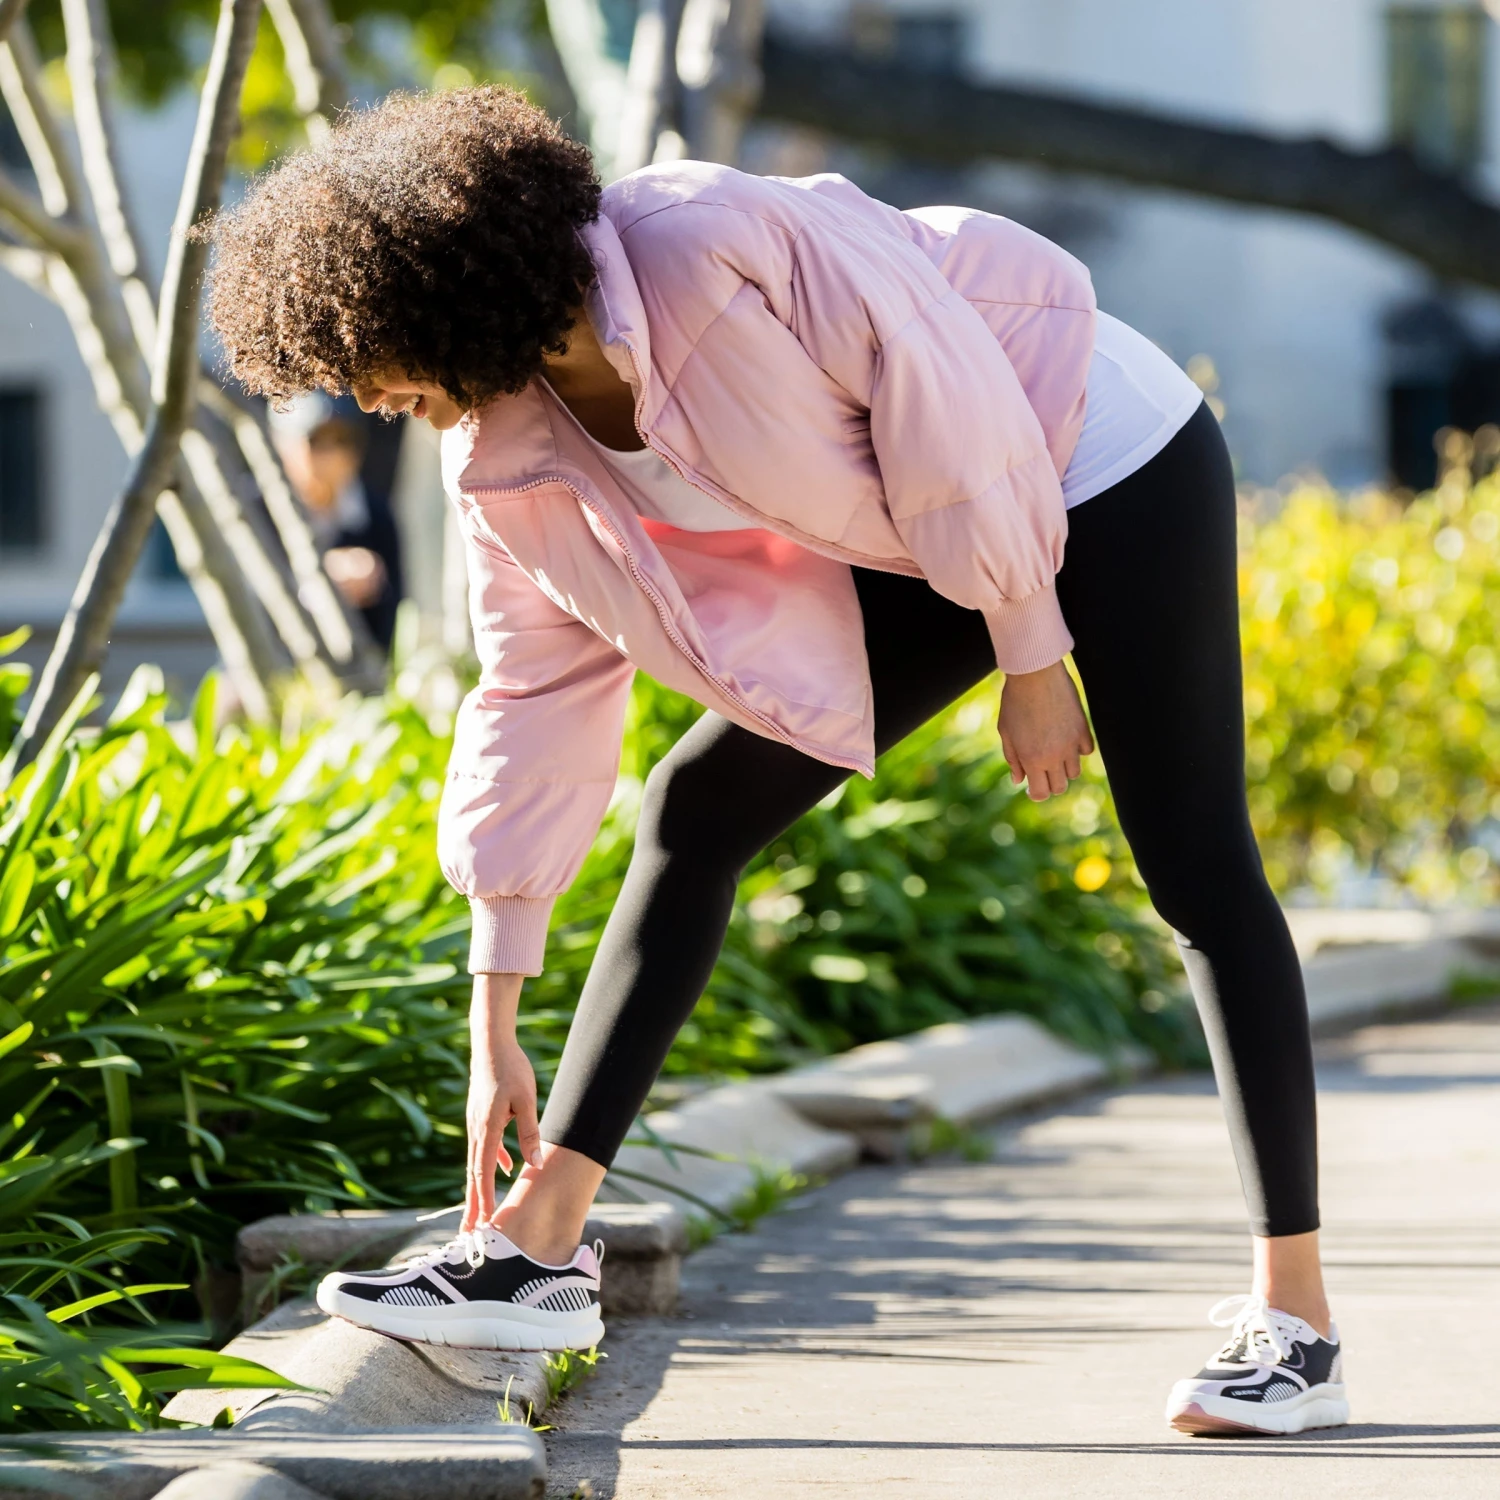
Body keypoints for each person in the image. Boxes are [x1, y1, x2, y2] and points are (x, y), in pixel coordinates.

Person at [207, 87, 1344, 1436]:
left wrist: (1032, 654)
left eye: (368, 355)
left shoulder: (698, 239)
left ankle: (1298, 1326)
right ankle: (537, 1252)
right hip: (927, 521)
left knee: (1195, 864)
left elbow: (946, 388)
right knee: (696, 805)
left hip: (1091, 441)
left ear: (447, 292)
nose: (363, 397)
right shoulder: (502, 457)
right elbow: (532, 694)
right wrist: (494, 1002)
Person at [269, 393, 406, 652]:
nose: (333, 456)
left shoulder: (376, 514)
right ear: (283, 445)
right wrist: (319, 580)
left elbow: (397, 617)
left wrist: (374, 584)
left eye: (343, 441)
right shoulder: (259, 509)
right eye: (318, 442)